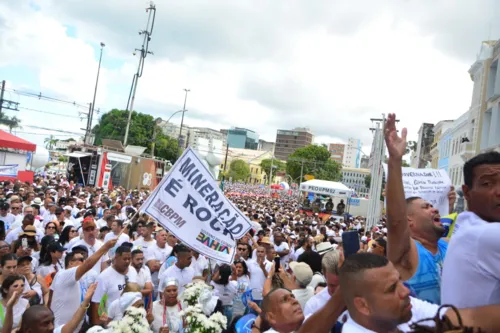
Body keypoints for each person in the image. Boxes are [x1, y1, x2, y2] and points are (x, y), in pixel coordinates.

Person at [384, 113, 454, 304]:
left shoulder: (447, 245)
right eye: (426, 207)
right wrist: (395, 160)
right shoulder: (407, 252)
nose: (434, 209)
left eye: (433, 206)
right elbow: (396, 220)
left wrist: (450, 205)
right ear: (410, 221)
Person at [338, 252, 500, 332]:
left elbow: (468, 318)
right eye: (392, 288)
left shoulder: (406, 307)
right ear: (363, 305)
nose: (406, 291)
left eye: (400, 281)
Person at [441, 151, 500, 308]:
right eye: (487, 184)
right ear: (467, 192)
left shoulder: (466, 225)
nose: (499, 191)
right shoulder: (486, 235)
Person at [49, 238, 116, 330]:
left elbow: (51, 294)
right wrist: (105, 247)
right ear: (71, 263)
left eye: (84, 259)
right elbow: (88, 264)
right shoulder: (63, 274)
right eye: (80, 259)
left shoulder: (80, 280)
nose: (84, 261)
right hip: (61, 329)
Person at [90, 244, 138, 325]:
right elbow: (97, 302)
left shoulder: (133, 270)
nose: (127, 261)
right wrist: (98, 324)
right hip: (113, 323)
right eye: (124, 259)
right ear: (116, 258)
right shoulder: (104, 276)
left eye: (129, 259)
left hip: (132, 319)